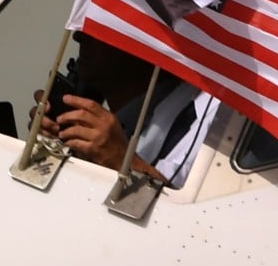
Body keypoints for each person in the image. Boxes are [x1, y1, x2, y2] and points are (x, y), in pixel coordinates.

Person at [30, 31, 199, 185]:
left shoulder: (202, 129)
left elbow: (187, 214)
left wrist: (122, 160)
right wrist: (60, 148)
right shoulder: (110, 128)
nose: (78, 35)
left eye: (98, 25)